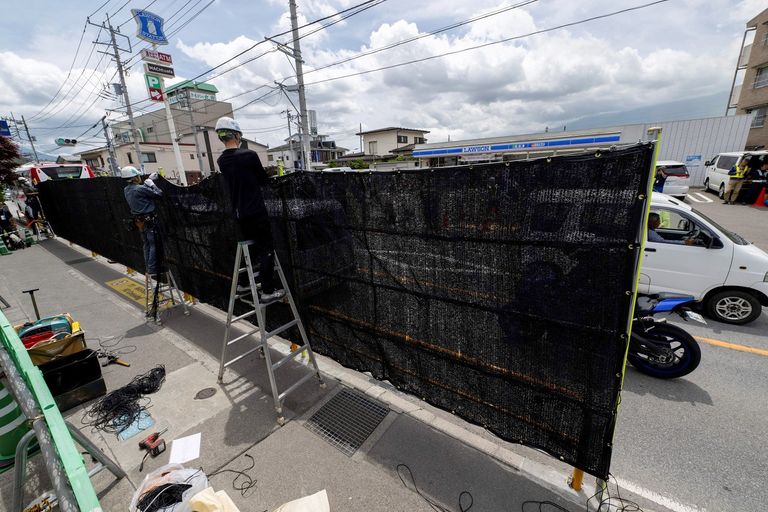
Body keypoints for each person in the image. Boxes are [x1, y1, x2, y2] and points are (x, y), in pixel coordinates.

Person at [215, 116, 284, 302]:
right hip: (256, 211)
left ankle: (243, 283)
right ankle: (267, 291)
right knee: (266, 249)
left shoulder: (221, 160)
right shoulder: (249, 155)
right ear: (237, 135)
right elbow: (262, 179)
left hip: (239, 212)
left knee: (249, 249)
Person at [122, 166, 163, 277]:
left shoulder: (126, 190)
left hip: (139, 222)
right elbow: (159, 194)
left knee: (147, 244)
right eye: (138, 176)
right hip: (149, 220)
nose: (139, 177)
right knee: (154, 244)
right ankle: (152, 269)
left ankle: (148, 267)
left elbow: (141, 192)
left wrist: (147, 182)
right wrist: (152, 184)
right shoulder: (140, 189)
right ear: (134, 178)